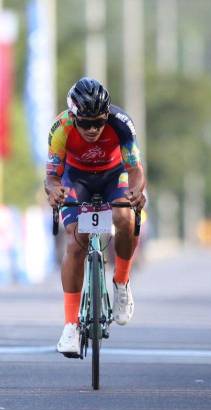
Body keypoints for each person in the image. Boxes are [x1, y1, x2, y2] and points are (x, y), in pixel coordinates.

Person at [45, 77, 146, 357]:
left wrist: (137, 191)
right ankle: (70, 326)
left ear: (107, 116)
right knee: (76, 241)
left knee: (125, 218)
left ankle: (122, 282)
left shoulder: (122, 123)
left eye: (98, 122)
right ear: (73, 117)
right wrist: (54, 192)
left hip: (115, 175)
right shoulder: (61, 127)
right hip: (76, 179)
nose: (92, 129)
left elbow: (135, 169)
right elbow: (52, 176)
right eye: (85, 123)